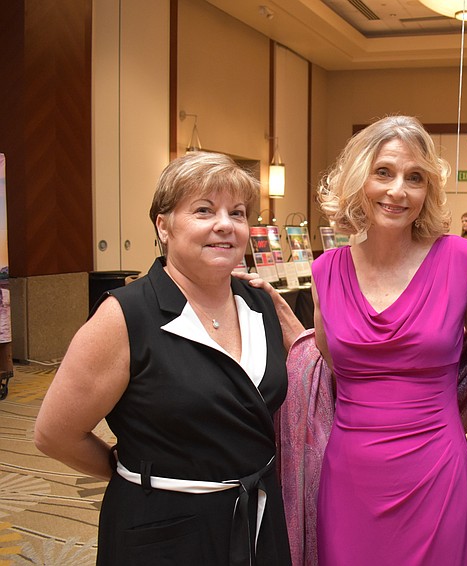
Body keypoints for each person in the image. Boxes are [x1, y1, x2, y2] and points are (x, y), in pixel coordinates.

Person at [34, 152, 292, 566]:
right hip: (165, 529)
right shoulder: (125, 316)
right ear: (164, 225)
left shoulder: (259, 304)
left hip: (258, 515)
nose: (225, 225)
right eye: (204, 210)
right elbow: (55, 434)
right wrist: (133, 473)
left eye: (238, 213)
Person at [303, 115, 467, 565]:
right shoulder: (325, 272)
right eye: (383, 172)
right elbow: (329, 361)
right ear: (358, 180)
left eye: (415, 178)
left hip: (437, 475)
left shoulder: (464, 262)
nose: (398, 191)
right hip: (351, 479)